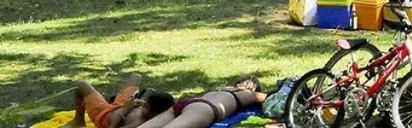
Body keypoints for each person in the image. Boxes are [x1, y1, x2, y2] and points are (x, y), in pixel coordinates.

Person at [135, 77, 267, 128]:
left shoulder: (222, 89)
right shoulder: (248, 93)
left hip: (185, 104)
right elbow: (272, 98)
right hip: (203, 109)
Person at [65, 74, 172, 128]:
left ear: (154, 114)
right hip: (122, 105)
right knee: (136, 76)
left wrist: (125, 111)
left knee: (81, 85)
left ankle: (79, 121)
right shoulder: (156, 113)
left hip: (105, 114)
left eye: (146, 106)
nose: (143, 105)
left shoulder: (138, 123)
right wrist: (137, 104)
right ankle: (114, 99)